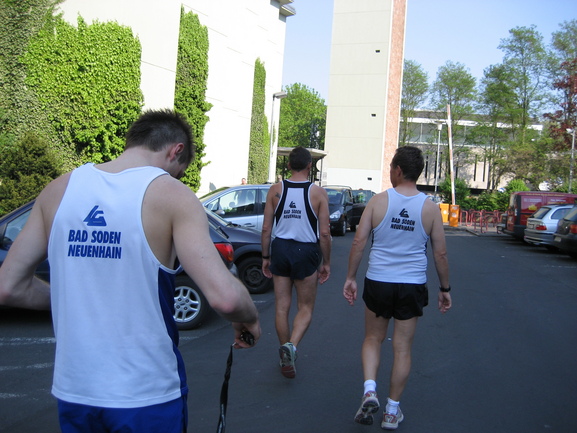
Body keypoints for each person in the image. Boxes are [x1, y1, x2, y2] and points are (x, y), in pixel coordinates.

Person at [0, 109, 261, 433]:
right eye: (179, 173)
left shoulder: (58, 191)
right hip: (147, 394)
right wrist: (249, 316)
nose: (176, 179)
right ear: (176, 150)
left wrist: (75, 298)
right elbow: (224, 298)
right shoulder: (172, 195)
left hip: (75, 392)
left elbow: (8, 287)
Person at [343, 146, 451, 430]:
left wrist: (351, 277)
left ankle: (369, 390)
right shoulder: (430, 208)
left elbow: (359, 242)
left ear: (399, 170)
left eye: (391, 167)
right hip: (411, 284)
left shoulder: (378, 201)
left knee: (372, 338)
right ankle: (392, 412)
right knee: (402, 348)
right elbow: (440, 254)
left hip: (378, 281)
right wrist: (445, 288)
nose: (390, 172)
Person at [261, 146, 331, 379]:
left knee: (282, 306)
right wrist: (326, 262)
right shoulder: (318, 193)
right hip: (306, 251)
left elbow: (266, 228)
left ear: (289, 165)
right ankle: (291, 346)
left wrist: (265, 257)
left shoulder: (275, 190)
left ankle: (285, 353)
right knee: (305, 307)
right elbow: (324, 233)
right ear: (310, 165)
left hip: (281, 248)